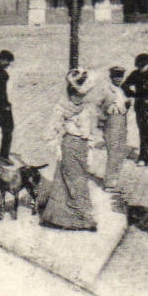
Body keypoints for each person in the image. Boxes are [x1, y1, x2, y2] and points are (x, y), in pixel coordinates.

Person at [36, 69, 99, 230]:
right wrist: (56, 146)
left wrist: (91, 148)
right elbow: (51, 129)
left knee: (79, 180)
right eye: (75, 95)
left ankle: (65, 217)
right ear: (70, 94)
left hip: (82, 147)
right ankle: (78, 218)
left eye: (81, 95)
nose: (78, 98)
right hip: (70, 145)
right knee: (73, 181)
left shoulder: (87, 108)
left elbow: (90, 131)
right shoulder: (62, 107)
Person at [99, 66, 130, 190]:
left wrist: (127, 106)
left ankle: (114, 179)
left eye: (120, 77)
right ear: (111, 77)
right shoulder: (107, 90)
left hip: (121, 121)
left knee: (119, 151)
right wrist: (102, 122)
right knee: (113, 152)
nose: (118, 79)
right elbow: (100, 106)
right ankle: (109, 183)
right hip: (111, 121)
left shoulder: (121, 90)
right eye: (116, 77)